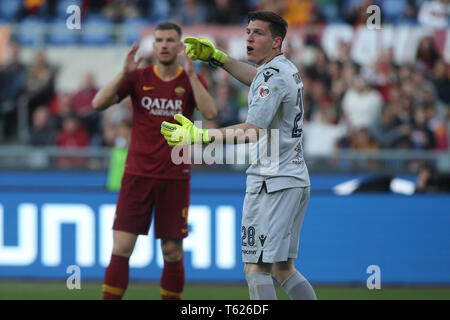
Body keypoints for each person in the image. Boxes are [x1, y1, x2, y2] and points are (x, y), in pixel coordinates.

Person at [161, 11, 317, 300]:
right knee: (283, 268)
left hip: (272, 182)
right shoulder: (284, 68)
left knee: (255, 267)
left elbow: (251, 131)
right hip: (292, 178)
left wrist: (200, 136)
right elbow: (258, 78)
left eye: (258, 33)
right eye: (248, 31)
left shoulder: (273, 76)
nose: (249, 37)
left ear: (276, 41)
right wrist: (219, 58)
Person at [92, 22, 218, 300]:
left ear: (179, 45)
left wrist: (194, 78)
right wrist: (122, 74)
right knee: (122, 247)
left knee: (172, 251)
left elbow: (210, 112)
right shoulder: (138, 77)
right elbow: (98, 104)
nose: (163, 45)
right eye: (159, 40)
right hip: (137, 173)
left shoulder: (188, 79)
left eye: (170, 40)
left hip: (175, 175)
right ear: (153, 45)